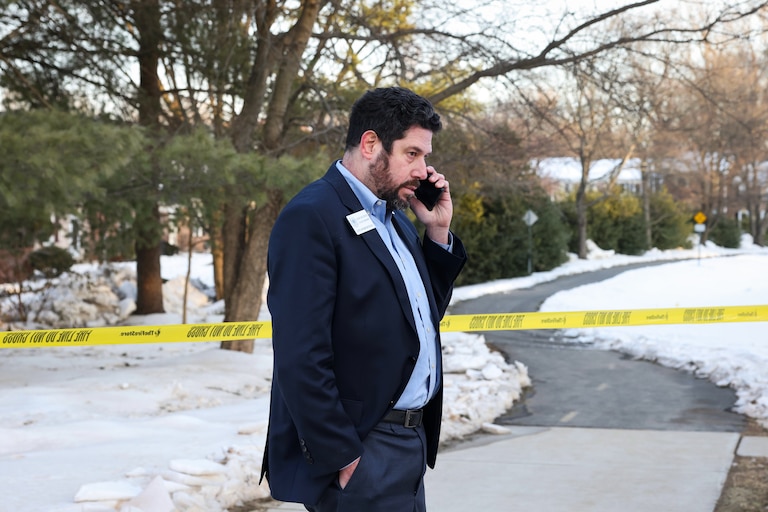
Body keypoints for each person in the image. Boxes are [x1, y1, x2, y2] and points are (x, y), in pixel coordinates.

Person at [260, 86, 467, 511]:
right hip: (363, 450)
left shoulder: (396, 220)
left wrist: (438, 232)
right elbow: (300, 353)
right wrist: (343, 455)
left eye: (425, 156)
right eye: (412, 154)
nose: (423, 170)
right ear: (371, 143)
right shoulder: (313, 216)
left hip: (407, 444)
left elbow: (418, 320)